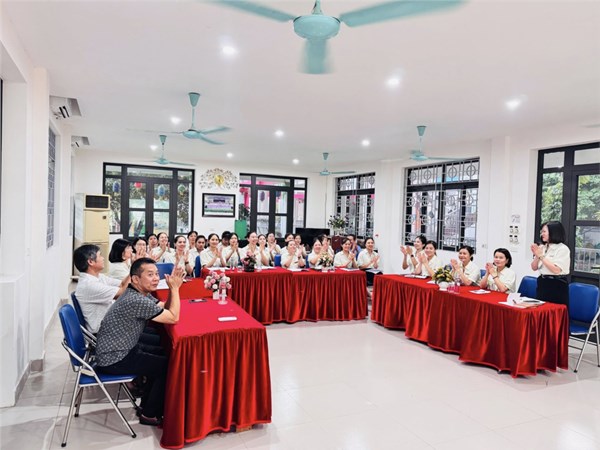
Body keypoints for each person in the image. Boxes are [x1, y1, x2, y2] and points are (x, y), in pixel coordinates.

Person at [95, 258, 184, 426]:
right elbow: (173, 317)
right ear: (135, 279)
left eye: (157, 274)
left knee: (163, 351)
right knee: (167, 366)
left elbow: (164, 308)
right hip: (114, 358)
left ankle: (146, 404)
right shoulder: (136, 300)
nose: (156, 278)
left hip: (122, 348)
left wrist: (172, 290)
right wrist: (175, 289)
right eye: (150, 275)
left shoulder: (138, 293)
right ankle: (149, 414)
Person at [73, 244, 130, 333]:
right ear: (91, 262)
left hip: (112, 324)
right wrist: (136, 267)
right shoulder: (89, 285)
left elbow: (122, 284)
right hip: (105, 333)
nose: (103, 258)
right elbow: (122, 292)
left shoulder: (98, 277)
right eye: (100, 255)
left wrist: (136, 267)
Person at [530, 221, 571, 308]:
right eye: (541, 232)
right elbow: (534, 267)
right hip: (542, 282)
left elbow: (556, 270)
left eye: (544, 231)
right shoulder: (542, 247)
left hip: (557, 284)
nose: (542, 234)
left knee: (554, 311)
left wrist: (541, 256)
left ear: (554, 232)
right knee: (541, 311)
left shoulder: (562, 249)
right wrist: (537, 255)